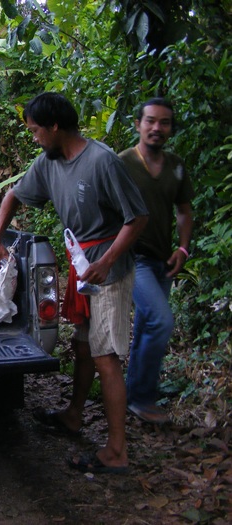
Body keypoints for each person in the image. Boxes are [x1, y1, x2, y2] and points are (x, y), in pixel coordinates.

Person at [0, 92, 148, 474]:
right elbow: (13, 196)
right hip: (82, 266)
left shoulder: (102, 161)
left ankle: (116, 451)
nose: (33, 137)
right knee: (82, 346)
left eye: (35, 130)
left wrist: (106, 261)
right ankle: (74, 415)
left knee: (105, 357)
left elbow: (137, 218)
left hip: (108, 270)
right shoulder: (48, 163)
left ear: (55, 126)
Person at [120, 98, 194, 424]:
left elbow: (184, 211)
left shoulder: (176, 167)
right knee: (162, 321)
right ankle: (142, 398)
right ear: (137, 124)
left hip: (164, 261)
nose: (156, 128)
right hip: (133, 259)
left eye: (164, 123)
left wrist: (183, 248)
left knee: (148, 325)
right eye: (150, 121)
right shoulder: (122, 164)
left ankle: (131, 394)